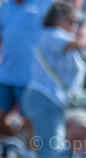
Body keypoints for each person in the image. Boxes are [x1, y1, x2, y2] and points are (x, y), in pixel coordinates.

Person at [21, 1, 86, 158]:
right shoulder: (54, 34)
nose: (75, 26)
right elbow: (79, 44)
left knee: (38, 154)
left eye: (77, 22)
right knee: (51, 154)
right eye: (71, 21)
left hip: (44, 100)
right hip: (46, 100)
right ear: (58, 19)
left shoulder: (52, 35)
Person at [0, 0, 48, 139]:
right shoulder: (6, 6)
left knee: (30, 123)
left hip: (32, 79)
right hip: (5, 75)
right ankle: (17, 146)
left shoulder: (45, 4)